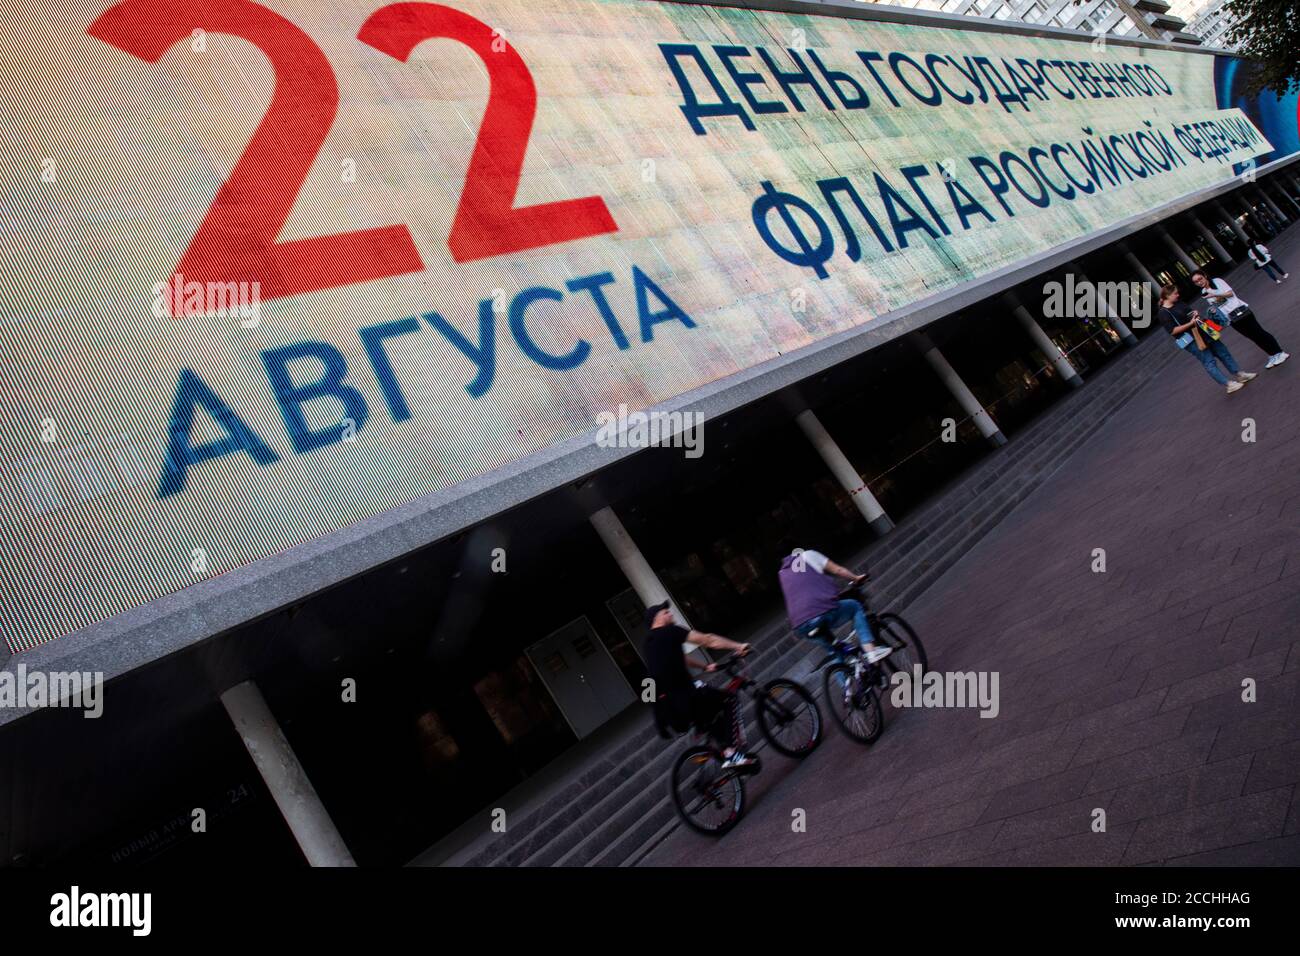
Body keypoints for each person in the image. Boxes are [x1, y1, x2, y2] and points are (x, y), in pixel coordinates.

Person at [643, 601, 757, 770]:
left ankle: (725, 754)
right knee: (728, 699)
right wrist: (738, 646)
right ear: (656, 618)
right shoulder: (671, 631)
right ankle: (732, 754)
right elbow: (708, 640)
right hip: (687, 697)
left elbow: (655, 676)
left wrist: (704, 666)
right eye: (666, 612)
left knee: (710, 714)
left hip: (672, 709)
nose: (670, 614)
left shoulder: (648, 644)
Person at [777, 548, 892, 663]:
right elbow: (838, 570)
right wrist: (855, 578)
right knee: (854, 606)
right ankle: (871, 651)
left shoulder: (782, 572)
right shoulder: (807, 555)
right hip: (819, 612)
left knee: (835, 652)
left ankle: (846, 678)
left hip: (800, 625)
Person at [1158, 284, 1255, 394]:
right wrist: (1190, 323)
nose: (1178, 295)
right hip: (1191, 340)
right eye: (1175, 293)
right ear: (1167, 295)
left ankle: (1239, 374)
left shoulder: (1178, 303)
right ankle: (1228, 384)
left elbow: (1189, 312)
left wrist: (1195, 313)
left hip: (1203, 331)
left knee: (1223, 352)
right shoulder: (1163, 313)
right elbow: (1173, 331)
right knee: (1209, 361)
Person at [1191, 270, 1289, 369]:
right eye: (1196, 282)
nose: (1199, 282)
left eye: (1200, 279)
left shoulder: (1217, 281)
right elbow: (1217, 305)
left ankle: (1280, 352)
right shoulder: (1203, 292)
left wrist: (1214, 294)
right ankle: (1272, 355)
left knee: (1259, 332)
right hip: (1231, 319)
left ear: (1205, 276)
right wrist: (1214, 309)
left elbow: (1230, 294)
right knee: (1252, 337)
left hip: (1241, 311)